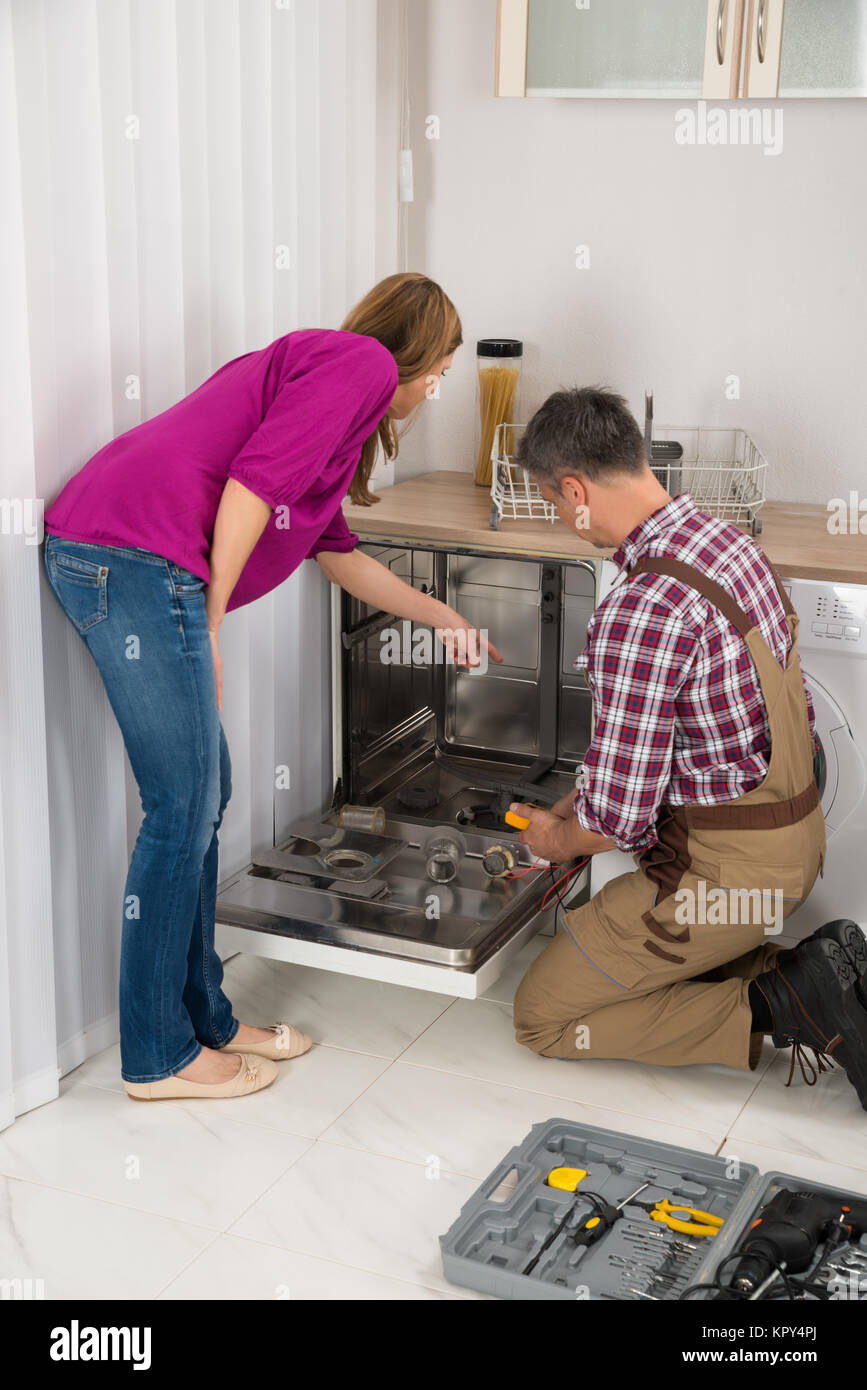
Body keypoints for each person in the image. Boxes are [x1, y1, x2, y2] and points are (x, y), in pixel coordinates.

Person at [42, 272, 501, 1102]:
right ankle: (157, 1058)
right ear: (414, 348)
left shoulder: (332, 415)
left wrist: (439, 615)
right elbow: (251, 487)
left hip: (133, 557)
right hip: (130, 558)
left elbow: (336, 554)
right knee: (181, 806)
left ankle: (206, 1019)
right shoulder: (359, 363)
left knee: (204, 796)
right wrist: (211, 622)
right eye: (439, 369)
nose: (437, 388)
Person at [510, 387, 867, 1109]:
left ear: (574, 489)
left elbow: (616, 823)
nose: (559, 517)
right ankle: (819, 971)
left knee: (543, 1017)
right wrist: (582, 794)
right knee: (620, 947)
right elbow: (685, 736)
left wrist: (554, 839)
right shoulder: (725, 543)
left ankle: (783, 1004)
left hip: (720, 878)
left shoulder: (639, 606)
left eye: (552, 501)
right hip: (794, 841)